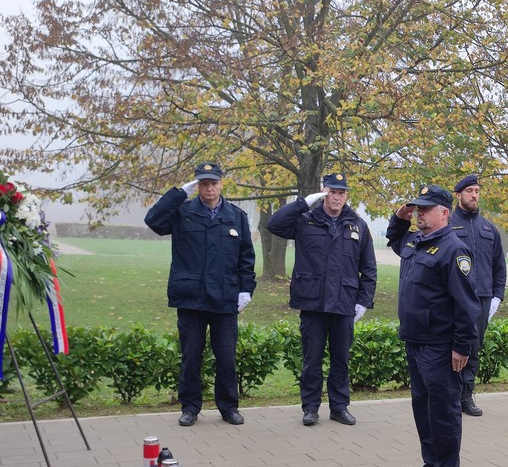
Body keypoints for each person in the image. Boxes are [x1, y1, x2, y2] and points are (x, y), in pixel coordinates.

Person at [145, 162, 256, 427]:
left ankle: (228, 407)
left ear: (221, 184)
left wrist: (246, 290)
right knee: (191, 356)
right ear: (197, 186)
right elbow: (153, 221)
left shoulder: (236, 216)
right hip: (191, 297)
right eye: (203, 183)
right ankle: (190, 407)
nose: (209, 188)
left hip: (224, 297)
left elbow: (246, 258)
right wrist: (178, 194)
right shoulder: (182, 212)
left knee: (226, 357)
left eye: (213, 183)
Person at [386, 185, 478, 467]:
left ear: (444, 213)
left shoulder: (454, 250)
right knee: (423, 406)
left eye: (426, 209)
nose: (419, 213)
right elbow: (395, 238)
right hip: (415, 339)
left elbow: (466, 304)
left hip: (440, 344)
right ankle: (432, 463)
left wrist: (462, 346)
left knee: (443, 408)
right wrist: (399, 216)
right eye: (417, 208)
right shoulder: (416, 241)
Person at [267, 173, 377, 426]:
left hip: (344, 302)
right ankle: (310, 408)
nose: (337, 197)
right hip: (313, 301)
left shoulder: (358, 225)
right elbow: (274, 224)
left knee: (341, 359)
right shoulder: (305, 220)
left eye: (341, 192)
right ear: (323, 192)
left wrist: (363, 301)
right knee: (312, 359)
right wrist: (303, 203)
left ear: (346, 195)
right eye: (332, 191)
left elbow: (369, 268)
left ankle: (339, 407)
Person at [449, 174, 507, 416]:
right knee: (453, 345)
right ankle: (451, 396)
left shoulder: (488, 228)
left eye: (477, 191)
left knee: (473, 347)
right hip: (454, 297)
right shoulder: (448, 224)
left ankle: (466, 395)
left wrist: (497, 296)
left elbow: (499, 265)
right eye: (469, 191)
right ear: (458, 195)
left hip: (482, 297)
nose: (474, 195)